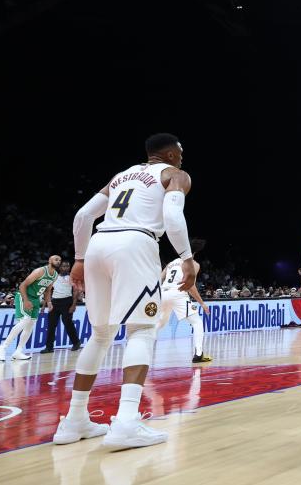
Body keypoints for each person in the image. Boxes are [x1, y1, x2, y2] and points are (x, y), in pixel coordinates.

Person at [54, 133, 198, 450]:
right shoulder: (175, 175)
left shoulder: (121, 177)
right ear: (172, 155)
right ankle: (127, 422)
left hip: (99, 244)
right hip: (135, 243)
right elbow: (173, 217)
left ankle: (74, 420)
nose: (182, 159)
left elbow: (83, 216)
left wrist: (78, 258)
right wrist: (187, 259)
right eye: (181, 154)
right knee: (142, 331)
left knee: (101, 334)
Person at [0, 255, 61, 361]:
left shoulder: (55, 275)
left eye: (59, 260)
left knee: (30, 326)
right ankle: (2, 348)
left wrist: (49, 302)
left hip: (35, 300)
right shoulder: (40, 271)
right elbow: (22, 285)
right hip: (24, 296)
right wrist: (26, 300)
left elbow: (48, 290)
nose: (58, 261)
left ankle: (18, 351)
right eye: (56, 259)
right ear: (49, 260)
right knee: (24, 321)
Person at [157, 239, 212, 363]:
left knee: (161, 322)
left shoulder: (172, 262)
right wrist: (202, 303)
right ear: (195, 252)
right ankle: (198, 354)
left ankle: (141, 343)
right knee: (197, 322)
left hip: (164, 292)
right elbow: (190, 286)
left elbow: (160, 278)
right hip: (178, 293)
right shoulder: (194, 264)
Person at [41, 259, 82, 352]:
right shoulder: (54, 277)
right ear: (60, 267)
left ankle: (76, 342)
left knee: (67, 323)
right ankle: (49, 347)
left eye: (67, 266)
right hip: (55, 302)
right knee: (51, 325)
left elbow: (76, 291)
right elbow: (48, 292)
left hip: (67, 301)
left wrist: (74, 305)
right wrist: (44, 305)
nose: (66, 268)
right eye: (64, 266)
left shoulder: (72, 277)